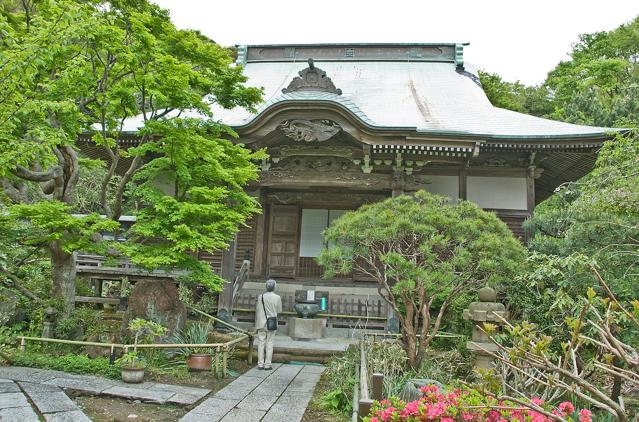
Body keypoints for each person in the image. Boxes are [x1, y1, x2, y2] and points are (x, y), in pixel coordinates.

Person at [255, 279, 282, 370]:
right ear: (274, 287)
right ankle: (268, 364)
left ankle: (260, 364)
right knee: (270, 343)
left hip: (261, 323)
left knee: (261, 343)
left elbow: (258, 310)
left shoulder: (261, 297)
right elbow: (279, 310)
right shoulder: (277, 297)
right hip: (272, 323)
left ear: (266, 287)